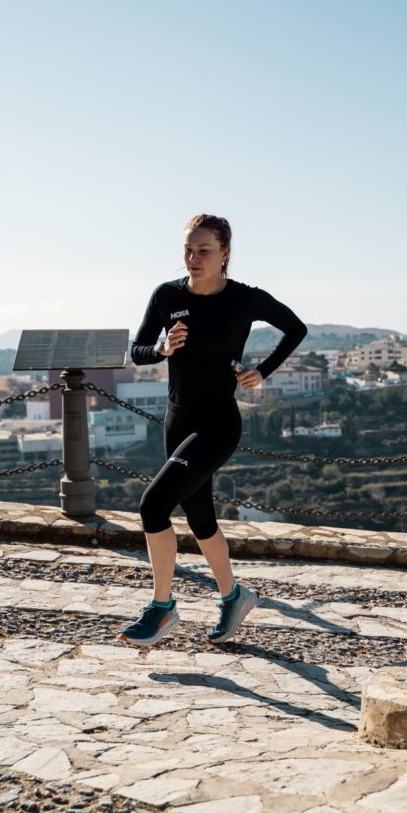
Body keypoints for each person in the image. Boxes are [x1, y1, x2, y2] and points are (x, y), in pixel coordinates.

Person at [118, 214, 306, 646]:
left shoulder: (244, 299)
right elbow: (138, 350)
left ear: (225, 254)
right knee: (201, 518)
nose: (193, 258)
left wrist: (264, 371)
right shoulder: (166, 295)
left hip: (218, 423)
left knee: (153, 506)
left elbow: (295, 328)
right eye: (188, 249)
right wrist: (162, 348)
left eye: (203, 250)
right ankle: (234, 596)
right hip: (177, 419)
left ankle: (162, 609)